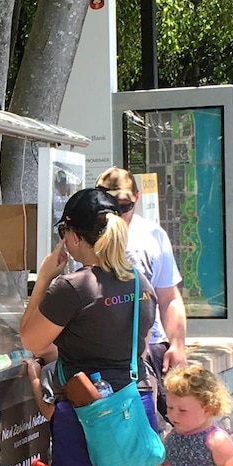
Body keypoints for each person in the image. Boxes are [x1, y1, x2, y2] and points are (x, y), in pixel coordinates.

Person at [19, 188, 158, 466]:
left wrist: (45, 278)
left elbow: (31, 340)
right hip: (133, 405)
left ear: (72, 235)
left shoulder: (73, 287)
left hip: (86, 415)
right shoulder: (141, 282)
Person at [95, 167, 188, 417]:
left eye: (123, 205)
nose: (117, 213)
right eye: (109, 205)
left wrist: (178, 344)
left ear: (136, 198)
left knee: (159, 430)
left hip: (151, 346)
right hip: (100, 350)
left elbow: (169, 297)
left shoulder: (152, 235)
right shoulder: (83, 236)